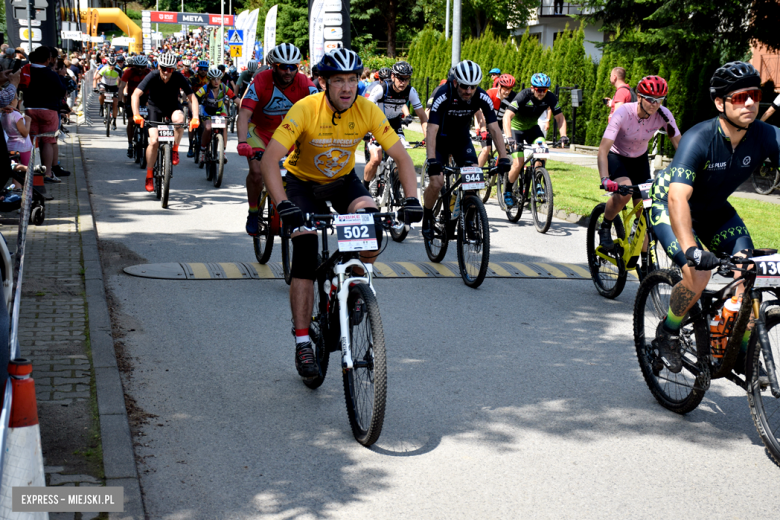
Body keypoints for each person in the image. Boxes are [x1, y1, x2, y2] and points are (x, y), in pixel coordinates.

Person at [257, 48, 423, 377]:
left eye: (352, 79)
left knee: (371, 221)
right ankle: (303, 342)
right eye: (338, 81)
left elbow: (402, 158)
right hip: (302, 185)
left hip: (342, 182)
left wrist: (412, 199)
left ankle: (357, 285)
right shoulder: (305, 109)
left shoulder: (367, 109)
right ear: (323, 83)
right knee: (304, 251)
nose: (347, 88)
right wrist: (283, 205)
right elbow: (269, 159)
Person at [649, 61, 780, 374]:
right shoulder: (700, 138)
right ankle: (668, 331)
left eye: (754, 95)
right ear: (720, 103)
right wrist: (692, 249)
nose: (749, 102)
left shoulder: (765, 135)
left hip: (714, 210)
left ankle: (743, 350)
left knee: (751, 273)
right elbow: (677, 197)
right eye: (739, 97)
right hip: (670, 206)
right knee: (698, 275)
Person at [236, 43, 317, 236]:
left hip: (288, 134)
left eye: (293, 67)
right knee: (256, 172)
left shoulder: (305, 82)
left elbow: (320, 108)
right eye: (283, 66)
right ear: (274, 66)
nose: (288, 71)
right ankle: (253, 212)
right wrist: (241, 141)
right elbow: (244, 114)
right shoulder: (261, 80)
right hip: (260, 132)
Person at [423, 60, 511, 237]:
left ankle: (470, 220)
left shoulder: (481, 96)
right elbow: (432, 129)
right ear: (455, 82)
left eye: (473, 87)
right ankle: (427, 216)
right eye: (464, 86)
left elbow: (494, 127)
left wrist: (503, 156)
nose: (468, 91)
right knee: (437, 181)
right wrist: (432, 159)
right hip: (440, 140)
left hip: (461, 140)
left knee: (473, 179)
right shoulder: (443, 93)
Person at [596, 76, 681, 257]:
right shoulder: (623, 113)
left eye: (659, 100)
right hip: (616, 155)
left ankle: (645, 264)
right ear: (639, 97)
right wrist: (605, 178)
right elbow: (602, 149)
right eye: (650, 99)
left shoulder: (664, 114)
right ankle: (605, 225)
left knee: (645, 211)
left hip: (639, 159)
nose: (655, 104)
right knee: (624, 193)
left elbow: (680, 148)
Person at [132, 52, 199, 192]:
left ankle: (175, 148)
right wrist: (136, 115)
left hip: (173, 107)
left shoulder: (178, 77)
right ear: (158, 67)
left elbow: (192, 97)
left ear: (174, 69)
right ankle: (149, 174)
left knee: (180, 120)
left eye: (170, 69)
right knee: (154, 141)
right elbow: (135, 95)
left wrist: (196, 117)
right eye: (163, 69)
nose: (166, 73)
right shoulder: (153, 75)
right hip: (154, 109)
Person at [502, 72, 568, 208]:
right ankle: (507, 191)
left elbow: (560, 118)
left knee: (542, 151)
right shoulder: (524, 95)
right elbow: (507, 116)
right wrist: (509, 137)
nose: (541, 93)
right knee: (518, 163)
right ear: (532, 88)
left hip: (532, 128)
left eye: (544, 90)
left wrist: (563, 135)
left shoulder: (550, 97)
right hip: (516, 130)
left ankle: (538, 181)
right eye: (539, 90)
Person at [363, 61, 428, 190]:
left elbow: (423, 117)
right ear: (392, 76)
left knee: (403, 157)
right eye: (400, 78)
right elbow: (366, 110)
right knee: (376, 158)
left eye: (406, 79)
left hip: (394, 123)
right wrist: (367, 132)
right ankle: (364, 188)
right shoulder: (382, 88)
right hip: (376, 123)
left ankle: (399, 189)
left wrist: (427, 137)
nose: (403, 82)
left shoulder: (410, 91)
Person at [23, 47, 66, 183]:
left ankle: (31, 172)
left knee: (32, 140)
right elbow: (61, 91)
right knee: (48, 141)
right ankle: (47, 173)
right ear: (48, 60)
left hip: (29, 109)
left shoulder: (26, 70)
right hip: (49, 110)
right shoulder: (52, 74)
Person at [194, 67, 236, 163]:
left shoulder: (224, 88)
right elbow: (194, 98)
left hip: (220, 110)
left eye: (218, 78)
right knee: (208, 128)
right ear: (209, 80)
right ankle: (203, 151)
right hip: (206, 110)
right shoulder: (205, 88)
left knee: (224, 126)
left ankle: (223, 152)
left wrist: (246, 108)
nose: (216, 81)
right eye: (213, 79)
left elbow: (235, 98)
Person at [478, 73, 516, 168]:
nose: (507, 91)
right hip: (486, 123)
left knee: (506, 146)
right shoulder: (490, 93)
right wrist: (481, 129)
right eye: (505, 88)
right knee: (486, 149)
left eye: (510, 89)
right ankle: (477, 173)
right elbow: (479, 112)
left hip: (500, 124)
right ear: (499, 85)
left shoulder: (513, 97)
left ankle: (498, 168)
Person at [120, 56, 151, 158]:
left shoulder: (148, 72)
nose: (140, 69)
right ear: (134, 66)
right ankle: (130, 144)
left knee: (148, 120)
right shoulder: (129, 72)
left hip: (145, 98)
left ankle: (146, 135)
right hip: (131, 98)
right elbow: (122, 86)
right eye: (138, 67)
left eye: (142, 67)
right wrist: (120, 100)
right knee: (130, 121)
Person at [187, 60, 210, 157]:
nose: (203, 71)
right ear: (198, 69)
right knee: (191, 122)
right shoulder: (192, 79)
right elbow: (187, 91)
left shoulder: (210, 79)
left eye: (205, 69)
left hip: (206, 102)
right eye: (201, 69)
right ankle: (190, 145)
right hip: (193, 101)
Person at [93, 55, 122, 130]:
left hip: (113, 86)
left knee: (115, 102)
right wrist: (94, 88)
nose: (111, 67)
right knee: (102, 92)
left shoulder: (118, 70)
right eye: (110, 65)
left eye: (113, 65)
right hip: (104, 84)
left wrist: (120, 89)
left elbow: (123, 81)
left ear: (115, 65)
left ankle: (114, 121)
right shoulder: (104, 69)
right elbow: (96, 78)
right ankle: (101, 106)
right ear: (108, 64)